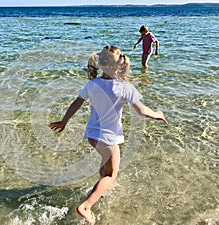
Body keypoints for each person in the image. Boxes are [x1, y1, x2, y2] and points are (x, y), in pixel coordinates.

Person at [49, 45, 168, 224]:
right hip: (109, 138)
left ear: (101, 64)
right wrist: (158, 115)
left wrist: (64, 121)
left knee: (105, 166)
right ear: (119, 66)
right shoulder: (124, 87)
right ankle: (86, 206)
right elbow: (142, 111)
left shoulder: (92, 84)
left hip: (92, 135)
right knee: (111, 176)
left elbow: (76, 103)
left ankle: (100, 191)